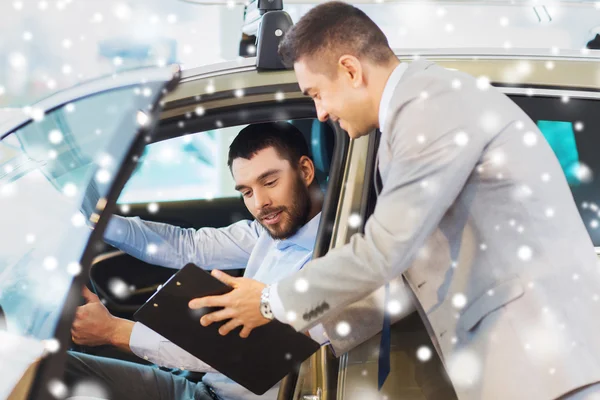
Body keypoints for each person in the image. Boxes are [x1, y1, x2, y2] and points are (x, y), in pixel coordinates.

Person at [188, 2, 600, 399]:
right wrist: (317, 329)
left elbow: (385, 251)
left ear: (350, 70)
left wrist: (268, 301)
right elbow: (409, 274)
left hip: (551, 362)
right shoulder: (402, 128)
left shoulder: (430, 107)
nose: (321, 113)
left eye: (316, 93)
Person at [65, 122, 329, 400]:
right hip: (204, 387)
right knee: (54, 367)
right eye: (247, 192)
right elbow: (188, 246)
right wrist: (99, 222)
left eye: (270, 182)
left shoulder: (330, 263)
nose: (260, 203)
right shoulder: (270, 231)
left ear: (306, 171)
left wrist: (114, 331)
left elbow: (247, 354)